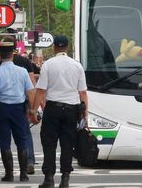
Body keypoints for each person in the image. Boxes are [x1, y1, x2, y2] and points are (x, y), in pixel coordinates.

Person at [29, 35, 87, 188]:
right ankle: (65, 178)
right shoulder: (77, 66)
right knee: (68, 144)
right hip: (71, 110)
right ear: (67, 48)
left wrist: (33, 111)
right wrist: (85, 114)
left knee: (49, 144)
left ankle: (49, 178)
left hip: (53, 108)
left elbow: (41, 90)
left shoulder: (48, 64)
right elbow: (83, 93)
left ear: (54, 47)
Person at [0, 40, 34, 183]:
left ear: (0, 55)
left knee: (5, 142)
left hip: (2, 108)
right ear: (13, 54)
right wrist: (31, 110)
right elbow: (30, 92)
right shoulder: (23, 71)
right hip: (19, 109)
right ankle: (24, 174)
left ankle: (9, 173)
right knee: (22, 141)